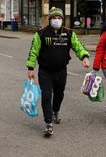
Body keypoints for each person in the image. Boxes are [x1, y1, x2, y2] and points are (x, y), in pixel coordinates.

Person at [26, 7, 90, 137]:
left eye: (59, 18)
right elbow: (34, 51)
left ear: (62, 20)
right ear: (50, 20)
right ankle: (48, 123)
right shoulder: (41, 33)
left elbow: (78, 46)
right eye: (54, 18)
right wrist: (31, 68)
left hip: (61, 71)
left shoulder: (69, 33)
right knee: (46, 96)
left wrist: (84, 57)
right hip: (45, 71)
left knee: (59, 94)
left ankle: (55, 111)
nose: (56, 20)